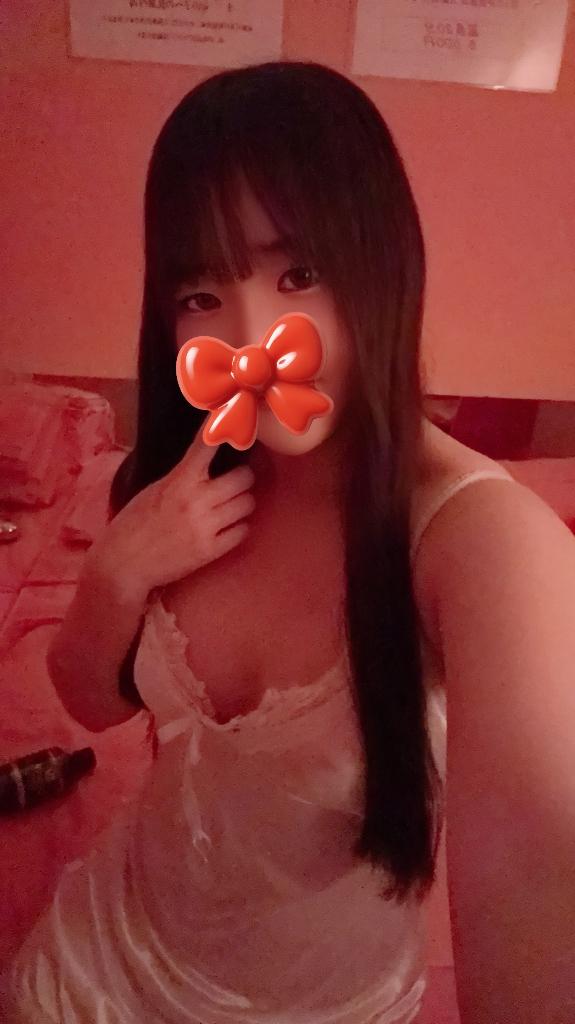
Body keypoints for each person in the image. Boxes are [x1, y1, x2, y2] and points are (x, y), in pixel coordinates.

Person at [2, 61, 574, 1024]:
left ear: (382, 263)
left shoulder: (484, 542)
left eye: (298, 274)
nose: (253, 337)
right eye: (201, 291)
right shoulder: (177, 480)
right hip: (100, 956)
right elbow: (90, 705)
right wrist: (116, 572)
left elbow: (539, 878)